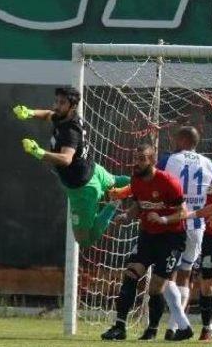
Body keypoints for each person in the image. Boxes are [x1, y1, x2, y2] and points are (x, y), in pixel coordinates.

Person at [13, 88, 129, 248]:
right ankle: (147, 181)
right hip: (95, 171)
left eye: (62, 103)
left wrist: (38, 152)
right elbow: (48, 114)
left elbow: (66, 159)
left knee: (84, 240)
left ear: (72, 107)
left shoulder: (70, 131)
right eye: (57, 101)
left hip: (83, 190)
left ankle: (115, 202)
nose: (56, 106)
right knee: (118, 181)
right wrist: (30, 113)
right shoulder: (65, 117)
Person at [100, 144, 190, 341]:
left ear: (152, 160)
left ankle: (152, 330)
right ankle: (120, 327)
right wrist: (126, 216)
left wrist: (164, 219)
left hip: (172, 239)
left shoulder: (168, 182)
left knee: (156, 288)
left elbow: (183, 212)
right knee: (131, 275)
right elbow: (139, 205)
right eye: (136, 157)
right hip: (148, 236)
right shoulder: (136, 180)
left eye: (142, 158)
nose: (137, 162)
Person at [154, 127, 212, 340]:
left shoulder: (168, 160)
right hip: (196, 226)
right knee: (185, 274)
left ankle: (176, 324)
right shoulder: (209, 164)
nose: (172, 140)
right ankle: (174, 327)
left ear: (183, 139)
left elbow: (154, 182)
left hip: (172, 225)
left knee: (167, 274)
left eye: (175, 137)